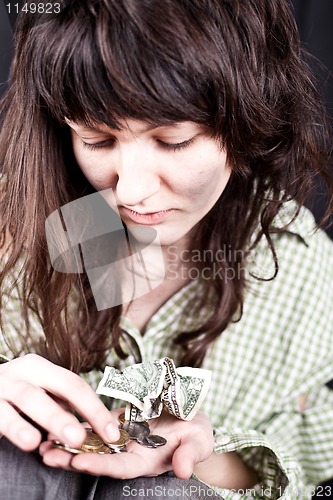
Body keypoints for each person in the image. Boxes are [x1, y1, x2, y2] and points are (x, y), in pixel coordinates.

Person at [0, 0, 333, 498]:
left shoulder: (302, 268)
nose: (129, 192)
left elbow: (309, 462)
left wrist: (203, 459)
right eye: (96, 139)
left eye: (173, 140)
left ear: (248, 117)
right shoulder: (14, 216)